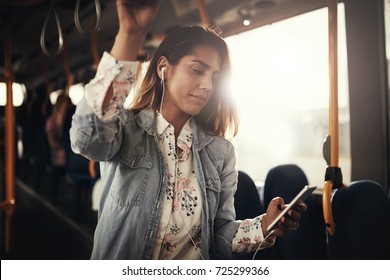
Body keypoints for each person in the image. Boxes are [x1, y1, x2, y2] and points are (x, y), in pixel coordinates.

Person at [70, 0, 307, 260]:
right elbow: (87, 138)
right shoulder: (127, 128)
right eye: (197, 70)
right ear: (163, 69)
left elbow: (218, 235)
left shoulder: (220, 151)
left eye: (215, 78)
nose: (207, 85)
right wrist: (131, 35)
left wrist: (264, 226)